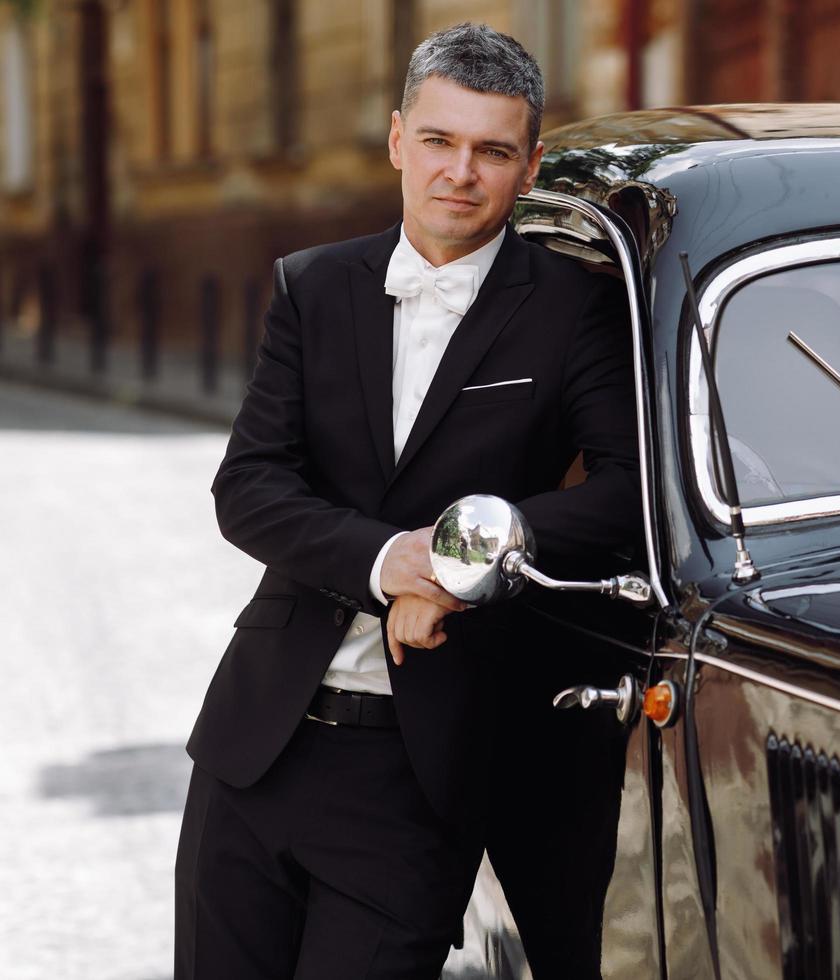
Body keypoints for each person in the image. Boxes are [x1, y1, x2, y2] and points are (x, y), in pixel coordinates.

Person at [175, 22, 640, 979]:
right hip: (258, 746)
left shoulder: (572, 307)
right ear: (397, 140)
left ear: (528, 164)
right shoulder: (312, 287)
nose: (460, 172)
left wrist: (465, 563)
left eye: (492, 151)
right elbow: (251, 487)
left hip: (421, 768)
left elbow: (630, 495)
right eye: (439, 141)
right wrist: (397, 565)